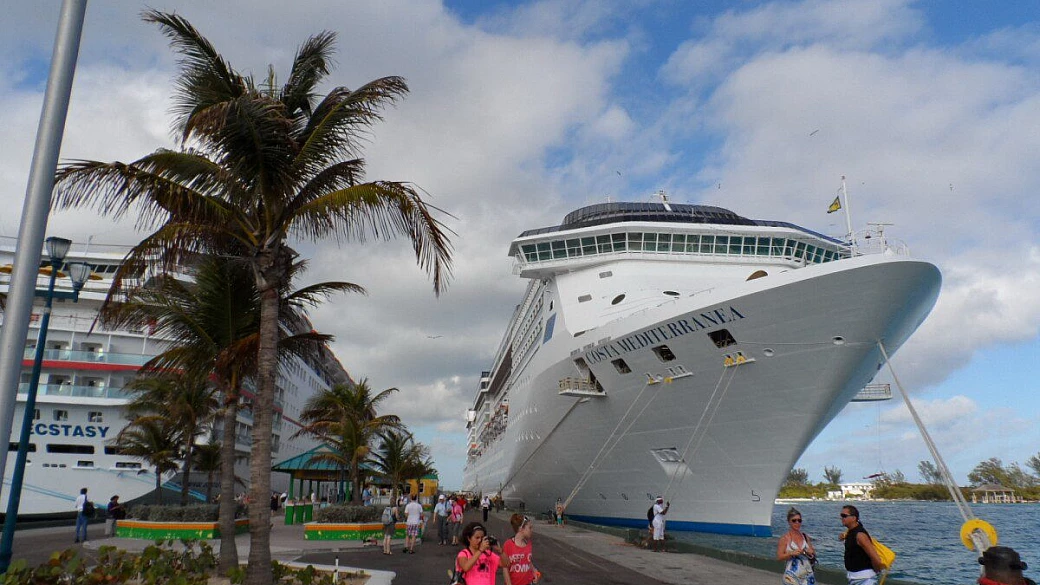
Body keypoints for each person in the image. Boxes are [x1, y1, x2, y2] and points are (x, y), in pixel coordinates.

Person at [840, 505, 883, 585]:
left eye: (844, 516)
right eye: (841, 516)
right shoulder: (850, 533)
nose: (842, 518)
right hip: (854, 578)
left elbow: (875, 558)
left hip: (865, 579)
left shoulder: (860, 535)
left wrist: (875, 572)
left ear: (854, 518)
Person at [777, 507, 815, 585]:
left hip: (807, 575)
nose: (797, 523)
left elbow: (812, 552)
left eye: (799, 520)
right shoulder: (785, 539)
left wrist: (809, 552)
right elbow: (779, 557)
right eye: (794, 521)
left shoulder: (805, 536)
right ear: (789, 522)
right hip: (791, 576)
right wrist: (791, 553)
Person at [504, 513, 540, 585]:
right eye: (530, 528)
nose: (532, 530)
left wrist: (534, 571)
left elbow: (528, 561)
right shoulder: (508, 545)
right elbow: (505, 568)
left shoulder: (528, 544)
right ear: (521, 529)